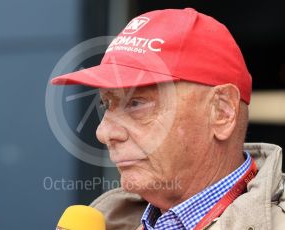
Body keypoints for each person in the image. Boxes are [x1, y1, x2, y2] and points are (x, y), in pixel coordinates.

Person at [51, 8, 285, 230]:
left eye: (136, 103)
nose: (104, 133)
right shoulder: (105, 220)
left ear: (222, 112)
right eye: (106, 104)